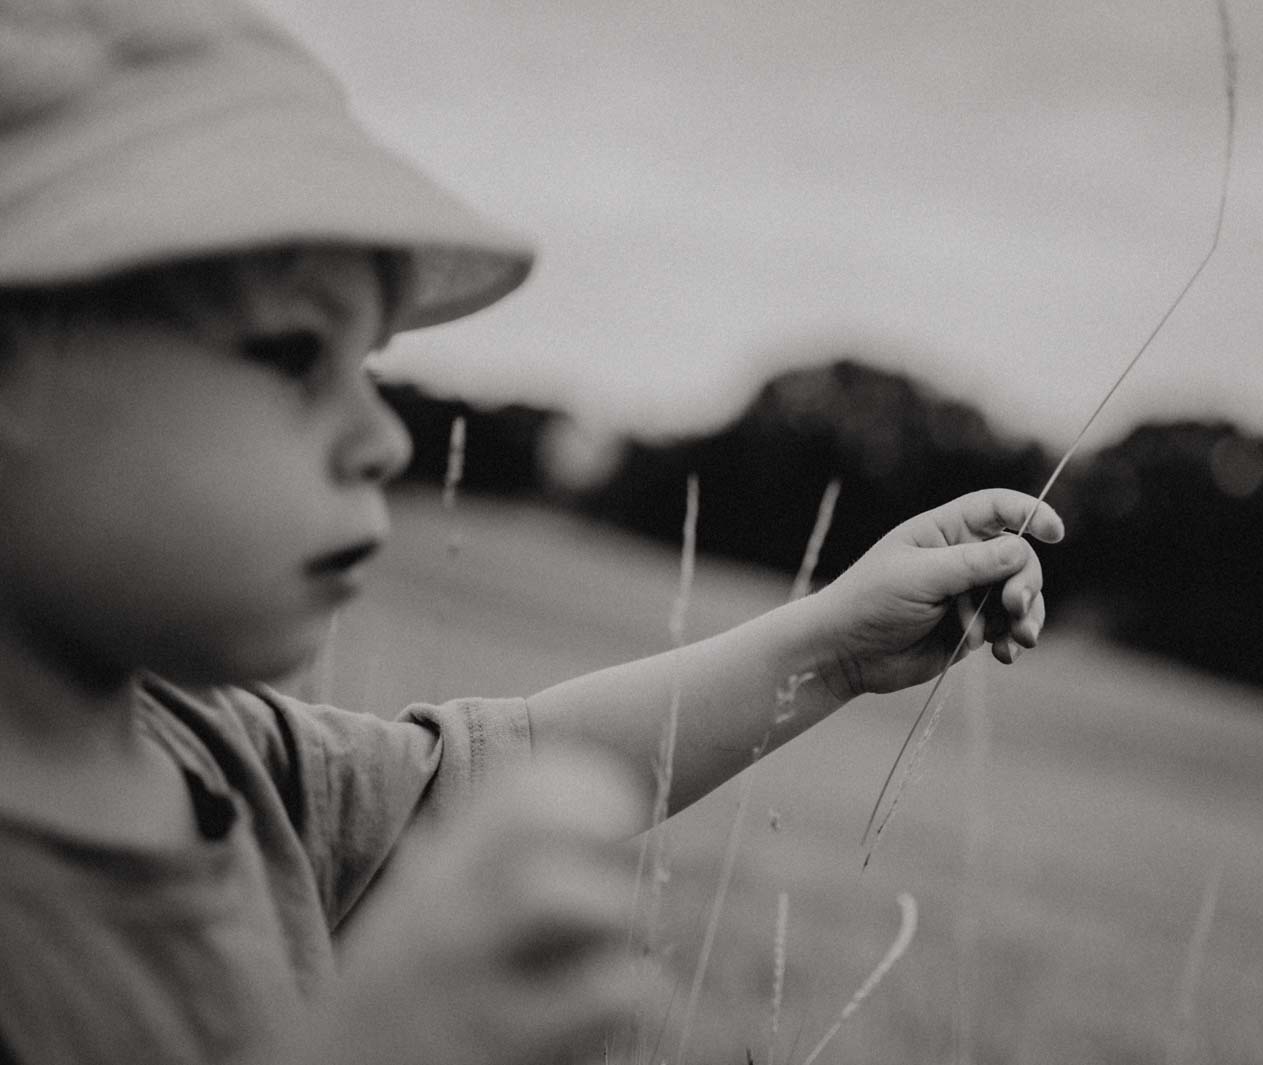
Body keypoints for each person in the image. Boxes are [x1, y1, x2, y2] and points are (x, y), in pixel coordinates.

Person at [0, 2, 1064, 1063]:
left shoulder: (219, 758)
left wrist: (829, 648)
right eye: (292, 354)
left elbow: (487, 772)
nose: (383, 441)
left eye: (369, 366)